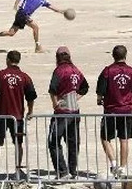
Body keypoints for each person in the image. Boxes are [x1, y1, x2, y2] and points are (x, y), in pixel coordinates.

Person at [0, 50, 37, 180]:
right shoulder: (25, 77)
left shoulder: (0, 75)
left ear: (8, 60)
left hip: (2, 115)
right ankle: (18, 170)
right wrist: (30, 111)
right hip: (17, 117)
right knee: (18, 143)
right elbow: (31, 96)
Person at [97, 45, 132, 178]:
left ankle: (114, 163)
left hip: (111, 109)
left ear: (113, 55)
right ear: (125, 55)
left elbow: (100, 91)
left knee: (105, 138)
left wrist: (100, 100)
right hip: (127, 109)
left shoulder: (107, 71)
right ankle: (122, 167)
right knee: (124, 139)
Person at [0, 0, 65, 53]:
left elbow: (51, 7)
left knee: (11, 33)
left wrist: (62, 11)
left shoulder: (42, 0)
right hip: (22, 13)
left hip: (23, 15)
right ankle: (37, 47)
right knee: (35, 27)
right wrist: (15, 6)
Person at [48, 47, 89, 180]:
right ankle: (73, 171)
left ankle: (62, 171)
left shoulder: (59, 71)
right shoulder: (76, 70)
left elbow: (52, 89)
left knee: (53, 141)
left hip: (62, 112)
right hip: (75, 111)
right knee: (73, 142)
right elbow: (85, 87)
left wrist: (55, 103)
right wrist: (75, 97)